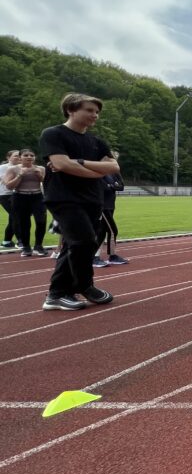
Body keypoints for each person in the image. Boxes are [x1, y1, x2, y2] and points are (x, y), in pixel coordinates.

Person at [38, 93, 118, 311]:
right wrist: (94, 172)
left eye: (97, 112)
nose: (95, 115)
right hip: (64, 198)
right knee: (83, 242)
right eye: (90, 110)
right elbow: (62, 165)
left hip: (92, 199)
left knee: (77, 244)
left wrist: (80, 162)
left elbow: (114, 167)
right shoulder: (53, 134)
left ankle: (56, 294)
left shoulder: (96, 142)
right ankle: (84, 285)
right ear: (71, 110)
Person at [3, 149, 49, 257]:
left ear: (35, 157)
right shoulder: (13, 169)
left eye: (32, 155)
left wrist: (39, 176)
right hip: (20, 196)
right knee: (24, 223)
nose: (29, 157)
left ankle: (38, 246)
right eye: (26, 155)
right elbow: (9, 186)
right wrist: (20, 175)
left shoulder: (41, 168)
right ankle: (26, 247)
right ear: (20, 157)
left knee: (41, 221)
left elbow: (46, 183)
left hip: (37, 196)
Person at [95, 151, 128, 266]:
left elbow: (122, 186)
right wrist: (113, 186)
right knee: (113, 230)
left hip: (110, 205)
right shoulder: (99, 173)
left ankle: (98, 256)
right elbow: (103, 188)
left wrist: (112, 186)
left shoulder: (114, 173)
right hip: (102, 206)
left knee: (102, 231)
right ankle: (110, 255)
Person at [1, 150, 23, 248]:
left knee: (13, 218)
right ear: (8, 157)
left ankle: (6, 241)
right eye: (15, 156)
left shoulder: (21, 167)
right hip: (5, 194)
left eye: (19, 156)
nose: (18, 158)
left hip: (17, 194)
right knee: (17, 216)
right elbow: (6, 181)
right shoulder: (3, 167)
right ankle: (21, 241)